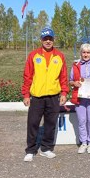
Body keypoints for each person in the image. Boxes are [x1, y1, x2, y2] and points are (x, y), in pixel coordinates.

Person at [22, 27, 69, 162]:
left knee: (50, 123)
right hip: (37, 96)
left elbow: (63, 77)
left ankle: (46, 148)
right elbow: (27, 76)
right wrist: (26, 94)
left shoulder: (59, 56)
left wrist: (64, 92)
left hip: (53, 96)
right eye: (45, 39)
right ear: (41, 40)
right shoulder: (33, 55)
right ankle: (30, 150)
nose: (48, 41)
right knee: (33, 123)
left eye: (50, 39)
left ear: (53, 40)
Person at [69, 43, 90, 154]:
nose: (86, 54)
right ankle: (83, 142)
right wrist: (75, 83)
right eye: (84, 52)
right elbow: (70, 81)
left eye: (88, 52)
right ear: (80, 53)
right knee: (82, 121)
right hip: (80, 97)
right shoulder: (75, 65)